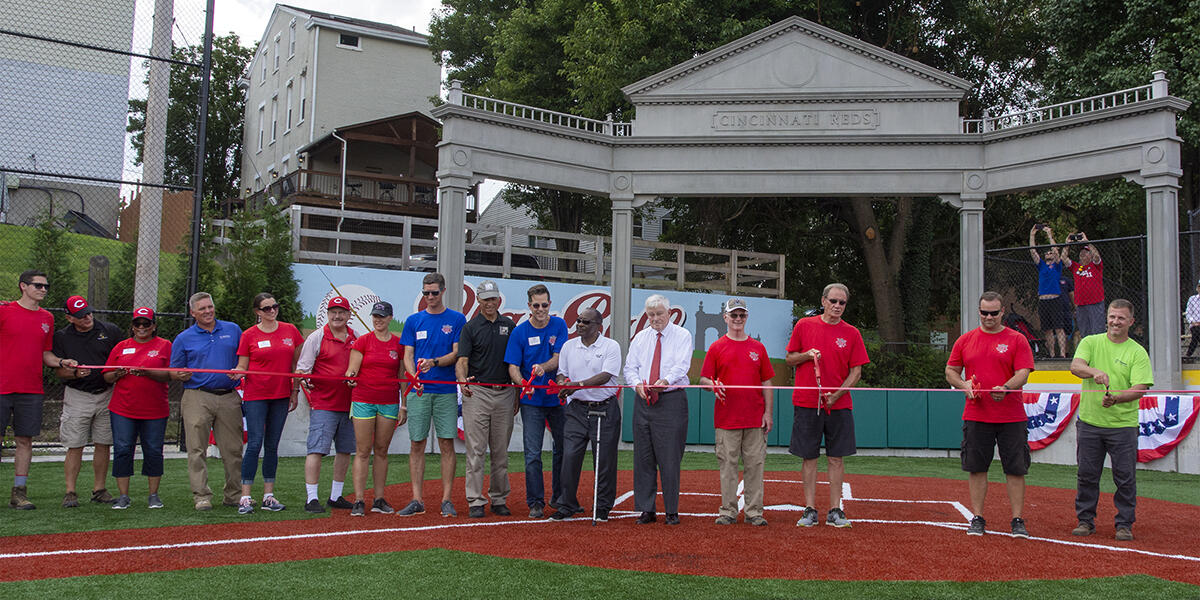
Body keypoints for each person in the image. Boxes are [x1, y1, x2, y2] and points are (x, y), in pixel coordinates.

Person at [945, 292, 1035, 538]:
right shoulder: (965, 340)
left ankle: (1017, 519)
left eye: (993, 313)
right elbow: (951, 371)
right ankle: (977, 517)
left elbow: (1024, 372)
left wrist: (1006, 388)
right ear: (979, 311)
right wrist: (964, 386)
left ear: (1002, 311)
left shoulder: (1017, 339)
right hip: (976, 414)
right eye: (984, 312)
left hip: (1011, 415)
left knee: (1015, 469)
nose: (988, 317)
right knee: (977, 468)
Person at [785, 283, 869, 528]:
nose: (837, 306)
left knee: (836, 458)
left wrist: (838, 394)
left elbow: (857, 372)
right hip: (807, 402)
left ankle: (835, 510)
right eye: (833, 301)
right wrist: (806, 355)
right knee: (809, 457)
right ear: (823, 301)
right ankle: (810, 509)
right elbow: (790, 358)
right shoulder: (804, 325)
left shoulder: (852, 333)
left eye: (842, 303)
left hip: (839, 405)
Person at [1069, 299, 1152, 542]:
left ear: (1131, 322)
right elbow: (1075, 366)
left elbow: (1140, 388)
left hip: (1123, 426)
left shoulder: (1137, 352)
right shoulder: (1090, 342)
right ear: (1107, 317)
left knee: (1125, 477)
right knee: (1086, 475)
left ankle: (1124, 524)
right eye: (1112, 317)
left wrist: (1116, 399)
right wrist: (1095, 372)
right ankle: (1085, 521)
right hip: (1090, 423)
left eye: (1121, 318)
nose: (1115, 322)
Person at [1, 270, 79, 510]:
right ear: (23, 286)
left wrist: (62, 361)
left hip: (31, 389)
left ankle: (19, 493)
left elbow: (46, 354)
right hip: (2, 387)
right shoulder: (4, 311)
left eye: (46, 286)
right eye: (38, 285)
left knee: (25, 440)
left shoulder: (47, 318)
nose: (44, 290)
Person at [699, 298, 774, 526]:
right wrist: (713, 386)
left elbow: (767, 383)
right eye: (734, 315)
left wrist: (768, 413)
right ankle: (728, 511)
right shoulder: (716, 347)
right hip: (726, 418)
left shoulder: (758, 348)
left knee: (755, 466)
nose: (738, 319)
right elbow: (703, 378)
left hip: (754, 417)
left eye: (742, 315)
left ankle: (754, 512)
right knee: (728, 466)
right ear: (726, 318)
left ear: (746, 317)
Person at [398, 273, 465, 518]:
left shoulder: (457, 319)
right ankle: (417, 499)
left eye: (434, 293)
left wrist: (434, 363)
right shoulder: (414, 320)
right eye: (426, 293)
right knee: (417, 443)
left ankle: (447, 499)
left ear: (443, 291)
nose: (430, 297)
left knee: (447, 443)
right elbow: (407, 354)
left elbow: (457, 353)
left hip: (446, 390)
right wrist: (413, 374)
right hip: (419, 391)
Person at [170, 292, 243, 511]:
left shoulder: (233, 330)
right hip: (197, 396)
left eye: (210, 307)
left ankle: (234, 494)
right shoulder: (184, 338)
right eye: (202, 309)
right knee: (196, 449)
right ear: (193, 313)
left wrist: (240, 370)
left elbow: (244, 357)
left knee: (233, 449)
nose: (208, 311)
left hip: (229, 396)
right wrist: (179, 375)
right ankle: (201, 495)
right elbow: (174, 370)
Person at [624, 294, 692, 526]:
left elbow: (682, 365)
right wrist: (637, 385)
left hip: (671, 400)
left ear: (669, 313)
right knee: (643, 457)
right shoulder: (640, 338)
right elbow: (630, 368)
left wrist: (665, 381)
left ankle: (671, 510)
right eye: (651, 315)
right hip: (644, 402)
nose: (655, 319)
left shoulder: (682, 336)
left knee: (670, 457)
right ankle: (647, 508)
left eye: (659, 314)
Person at [232, 293, 302, 514]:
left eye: (274, 307)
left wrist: (295, 390)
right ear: (258, 312)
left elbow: (296, 364)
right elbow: (243, 365)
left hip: (281, 395)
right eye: (266, 308)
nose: (272, 311)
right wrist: (237, 373)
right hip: (256, 395)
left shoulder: (290, 330)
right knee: (254, 444)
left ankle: (268, 496)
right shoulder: (249, 335)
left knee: (272, 445)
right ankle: (245, 497)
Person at [551, 307, 622, 522]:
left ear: (598, 326)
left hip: (604, 408)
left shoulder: (611, 346)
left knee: (604, 460)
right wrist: (564, 383)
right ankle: (567, 503)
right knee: (570, 456)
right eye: (578, 320)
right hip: (577, 409)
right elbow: (562, 372)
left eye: (585, 322)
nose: (580, 324)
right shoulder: (568, 346)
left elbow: (605, 376)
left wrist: (576, 385)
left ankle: (602, 506)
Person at [505, 283, 569, 519]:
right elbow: (512, 366)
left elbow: (558, 358)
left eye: (544, 305)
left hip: (556, 397)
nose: (540, 309)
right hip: (531, 401)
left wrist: (542, 368)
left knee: (562, 449)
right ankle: (535, 502)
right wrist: (523, 383)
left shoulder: (559, 324)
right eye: (536, 305)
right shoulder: (519, 332)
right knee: (533, 453)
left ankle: (561, 498)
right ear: (529, 306)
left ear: (550, 305)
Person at [53, 294, 123, 507]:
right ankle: (70, 491)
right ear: (69, 318)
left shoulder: (109, 331)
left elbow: (122, 357)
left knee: (104, 443)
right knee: (75, 445)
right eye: (81, 315)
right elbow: (58, 373)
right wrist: (74, 373)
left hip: (106, 393)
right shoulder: (62, 337)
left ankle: (99, 489)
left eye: (88, 312)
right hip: (77, 395)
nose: (87, 317)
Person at [455, 280, 517, 519]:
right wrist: (463, 382)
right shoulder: (470, 328)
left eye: (494, 298)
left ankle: (499, 498)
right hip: (477, 392)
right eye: (486, 299)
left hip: (504, 391)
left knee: (500, 452)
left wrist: (517, 394)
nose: (490, 303)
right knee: (476, 450)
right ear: (478, 300)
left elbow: (515, 362)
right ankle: (475, 500)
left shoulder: (510, 326)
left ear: (498, 300)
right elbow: (462, 361)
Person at [102, 307, 171, 510]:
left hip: (155, 409)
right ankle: (123, 496)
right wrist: (118, 374)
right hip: (123, 408)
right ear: (132, 326)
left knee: (153, 450)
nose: (141, 328)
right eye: (137, 324)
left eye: (146, 324)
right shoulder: (121, 346)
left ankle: (153, 495)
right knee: (123, 449)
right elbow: (106, 375)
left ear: (154, 326)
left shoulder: (164, 345)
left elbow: (170, 374)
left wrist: (148, 372)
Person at [295, 295, 358, 513]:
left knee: (345, 450)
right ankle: (311, 498)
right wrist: (305, 380)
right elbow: (302, 368)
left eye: (341, 312)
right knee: (316, 450)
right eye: (333, 312)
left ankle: (336, 495)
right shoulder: (317, 337)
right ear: (328, 314)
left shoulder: (356, 337)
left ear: (349, 315)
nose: (337, 316)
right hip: (324, 403)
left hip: (350, 404)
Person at [345, 301, 404, 517]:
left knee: (381, 450)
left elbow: (401, 376)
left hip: (388, 400)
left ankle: (379, 499)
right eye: (375, 316)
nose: (378, 320)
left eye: (382, 316)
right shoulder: (362, 342)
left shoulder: (398, 344)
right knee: (362, 451)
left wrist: (403, 405)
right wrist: (350, 379)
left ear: (390, 318)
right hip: (363, 399)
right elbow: (352, 370)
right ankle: (359, 500)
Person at [1029, 225, 1069, 358]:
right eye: (1047, 253)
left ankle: (1062, 354)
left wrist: (1049, 234)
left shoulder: (1057, 266)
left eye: (1050, 252)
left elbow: (1057, 252)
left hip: (1055, 299)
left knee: (1059, 327)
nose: (1049, 254)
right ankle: (1052, 354)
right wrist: (1032, 234)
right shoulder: (1041, 266)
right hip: (1043, 300)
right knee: (1047, 329)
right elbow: (1033, 252)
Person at [1063, 232, 1105, 337]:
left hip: (1095, 303)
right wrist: (1066, 244)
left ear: (1090, 255)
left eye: (1086, 252)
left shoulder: (1095, 266)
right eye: (1081, 252)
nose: (1083, 253)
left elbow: (1096, 256)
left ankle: (1099, 353)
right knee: (1085, 333)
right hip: (1081, 305)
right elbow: (1064, 259)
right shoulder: (1076, 267)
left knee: (1098, 331)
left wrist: (1087, 242)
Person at [1184, 281, 1200, 358]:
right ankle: (1188, 355)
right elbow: (1188, 313)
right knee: (1197, 331)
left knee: (1196, 336)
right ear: (1197, 288)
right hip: (1195, 324)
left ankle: (1188, 355)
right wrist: (1192, 322)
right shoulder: (1192, 299)